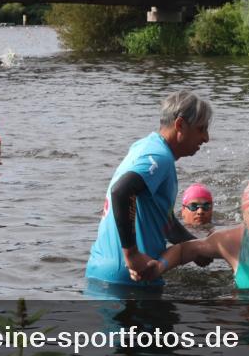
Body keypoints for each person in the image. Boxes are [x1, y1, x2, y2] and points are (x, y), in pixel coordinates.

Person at [85, 91, 213, 287]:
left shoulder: (144, 147)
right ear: (180, 125)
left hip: (101, 273)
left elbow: (164, 222)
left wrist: (199, 248)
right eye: (201, 129)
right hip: (130, 279)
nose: (206, 138)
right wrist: (132, 254)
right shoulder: (159, 157)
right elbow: (121, 191)